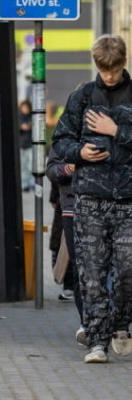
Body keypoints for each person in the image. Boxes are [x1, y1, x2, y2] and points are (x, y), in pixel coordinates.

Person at [52, 34, 132, 363]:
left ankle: (120, 323)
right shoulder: (83, 95)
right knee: (92, 275)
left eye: (113, 69)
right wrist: (79, 152)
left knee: (128, 270)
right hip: (90, 199)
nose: (108, 75)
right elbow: (61, 139)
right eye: (103, 69)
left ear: (123, 63)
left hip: (128, 200)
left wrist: (116, 131)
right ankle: (97, 340)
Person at [46, 144, 83, 343]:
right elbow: (53, 168)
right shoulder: (69, 126)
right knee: (80, 267)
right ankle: (89, 323)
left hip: (113, 205)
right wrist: (67, 169)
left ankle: (113, 322)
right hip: (71, 205)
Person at [19, 99, 34, 191]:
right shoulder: (18, 116)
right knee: (23, 166)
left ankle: (32, 183)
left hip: (30, 145)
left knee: (31, 165)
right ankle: (24, 184)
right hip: (21, 145)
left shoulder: (31, 116)